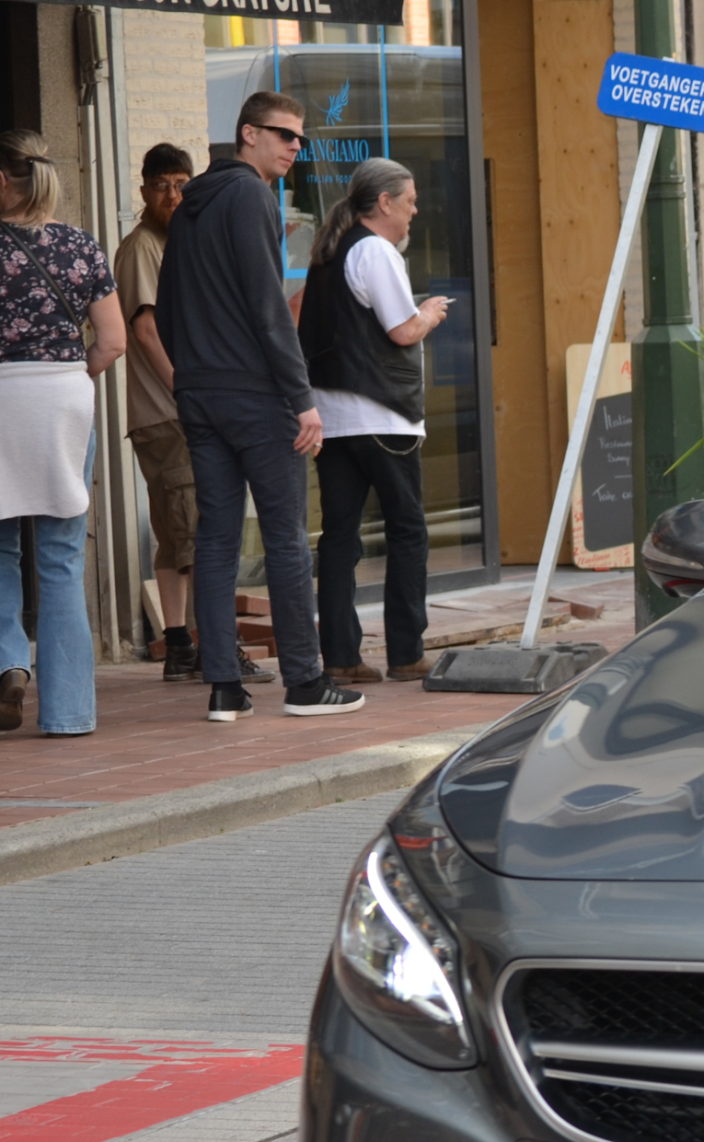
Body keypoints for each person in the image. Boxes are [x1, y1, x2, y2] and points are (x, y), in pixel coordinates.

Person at [157, 90, 362, 723]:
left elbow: (165, 310)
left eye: (301, 139)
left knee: (216, 537)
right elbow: (267, 304)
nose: (295, 148)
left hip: (200, 394)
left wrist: (192, 373)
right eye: (285, 135)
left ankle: (224, 687)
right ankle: (305, 681)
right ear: (248, 133)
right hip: (253, 394)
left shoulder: (193, 204)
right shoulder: (249, 195)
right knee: (285, 538)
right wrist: (301, 399)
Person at [0, 129, 125, 736]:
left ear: (3, 180)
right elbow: (113, 341)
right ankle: (68, 715)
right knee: (62, 556)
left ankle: (11, 662)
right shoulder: (82, 247)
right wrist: (67, 371)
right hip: (62, 397)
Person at [114, 143, 274, 688]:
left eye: (181, 183)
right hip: (169, 412)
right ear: (144, 192)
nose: (173, 194)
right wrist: (188, 392)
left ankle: (180, 645)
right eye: (161, 185)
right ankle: (216, 651)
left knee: (175, 535)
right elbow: (144, 329)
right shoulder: (143, 249)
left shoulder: (176, 241)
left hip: (175, 411)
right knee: (201, 539)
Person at [298, 157, 449, 684]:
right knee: (408, 530)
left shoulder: (327, 252)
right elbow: (402, 331)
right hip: (384, 415)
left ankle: (341, 656)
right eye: (408, 202)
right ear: (383, 203)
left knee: (339, 536)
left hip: (334, 416)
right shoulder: (377, 251)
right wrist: (428, 312)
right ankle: (406, 653)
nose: (414, 212)